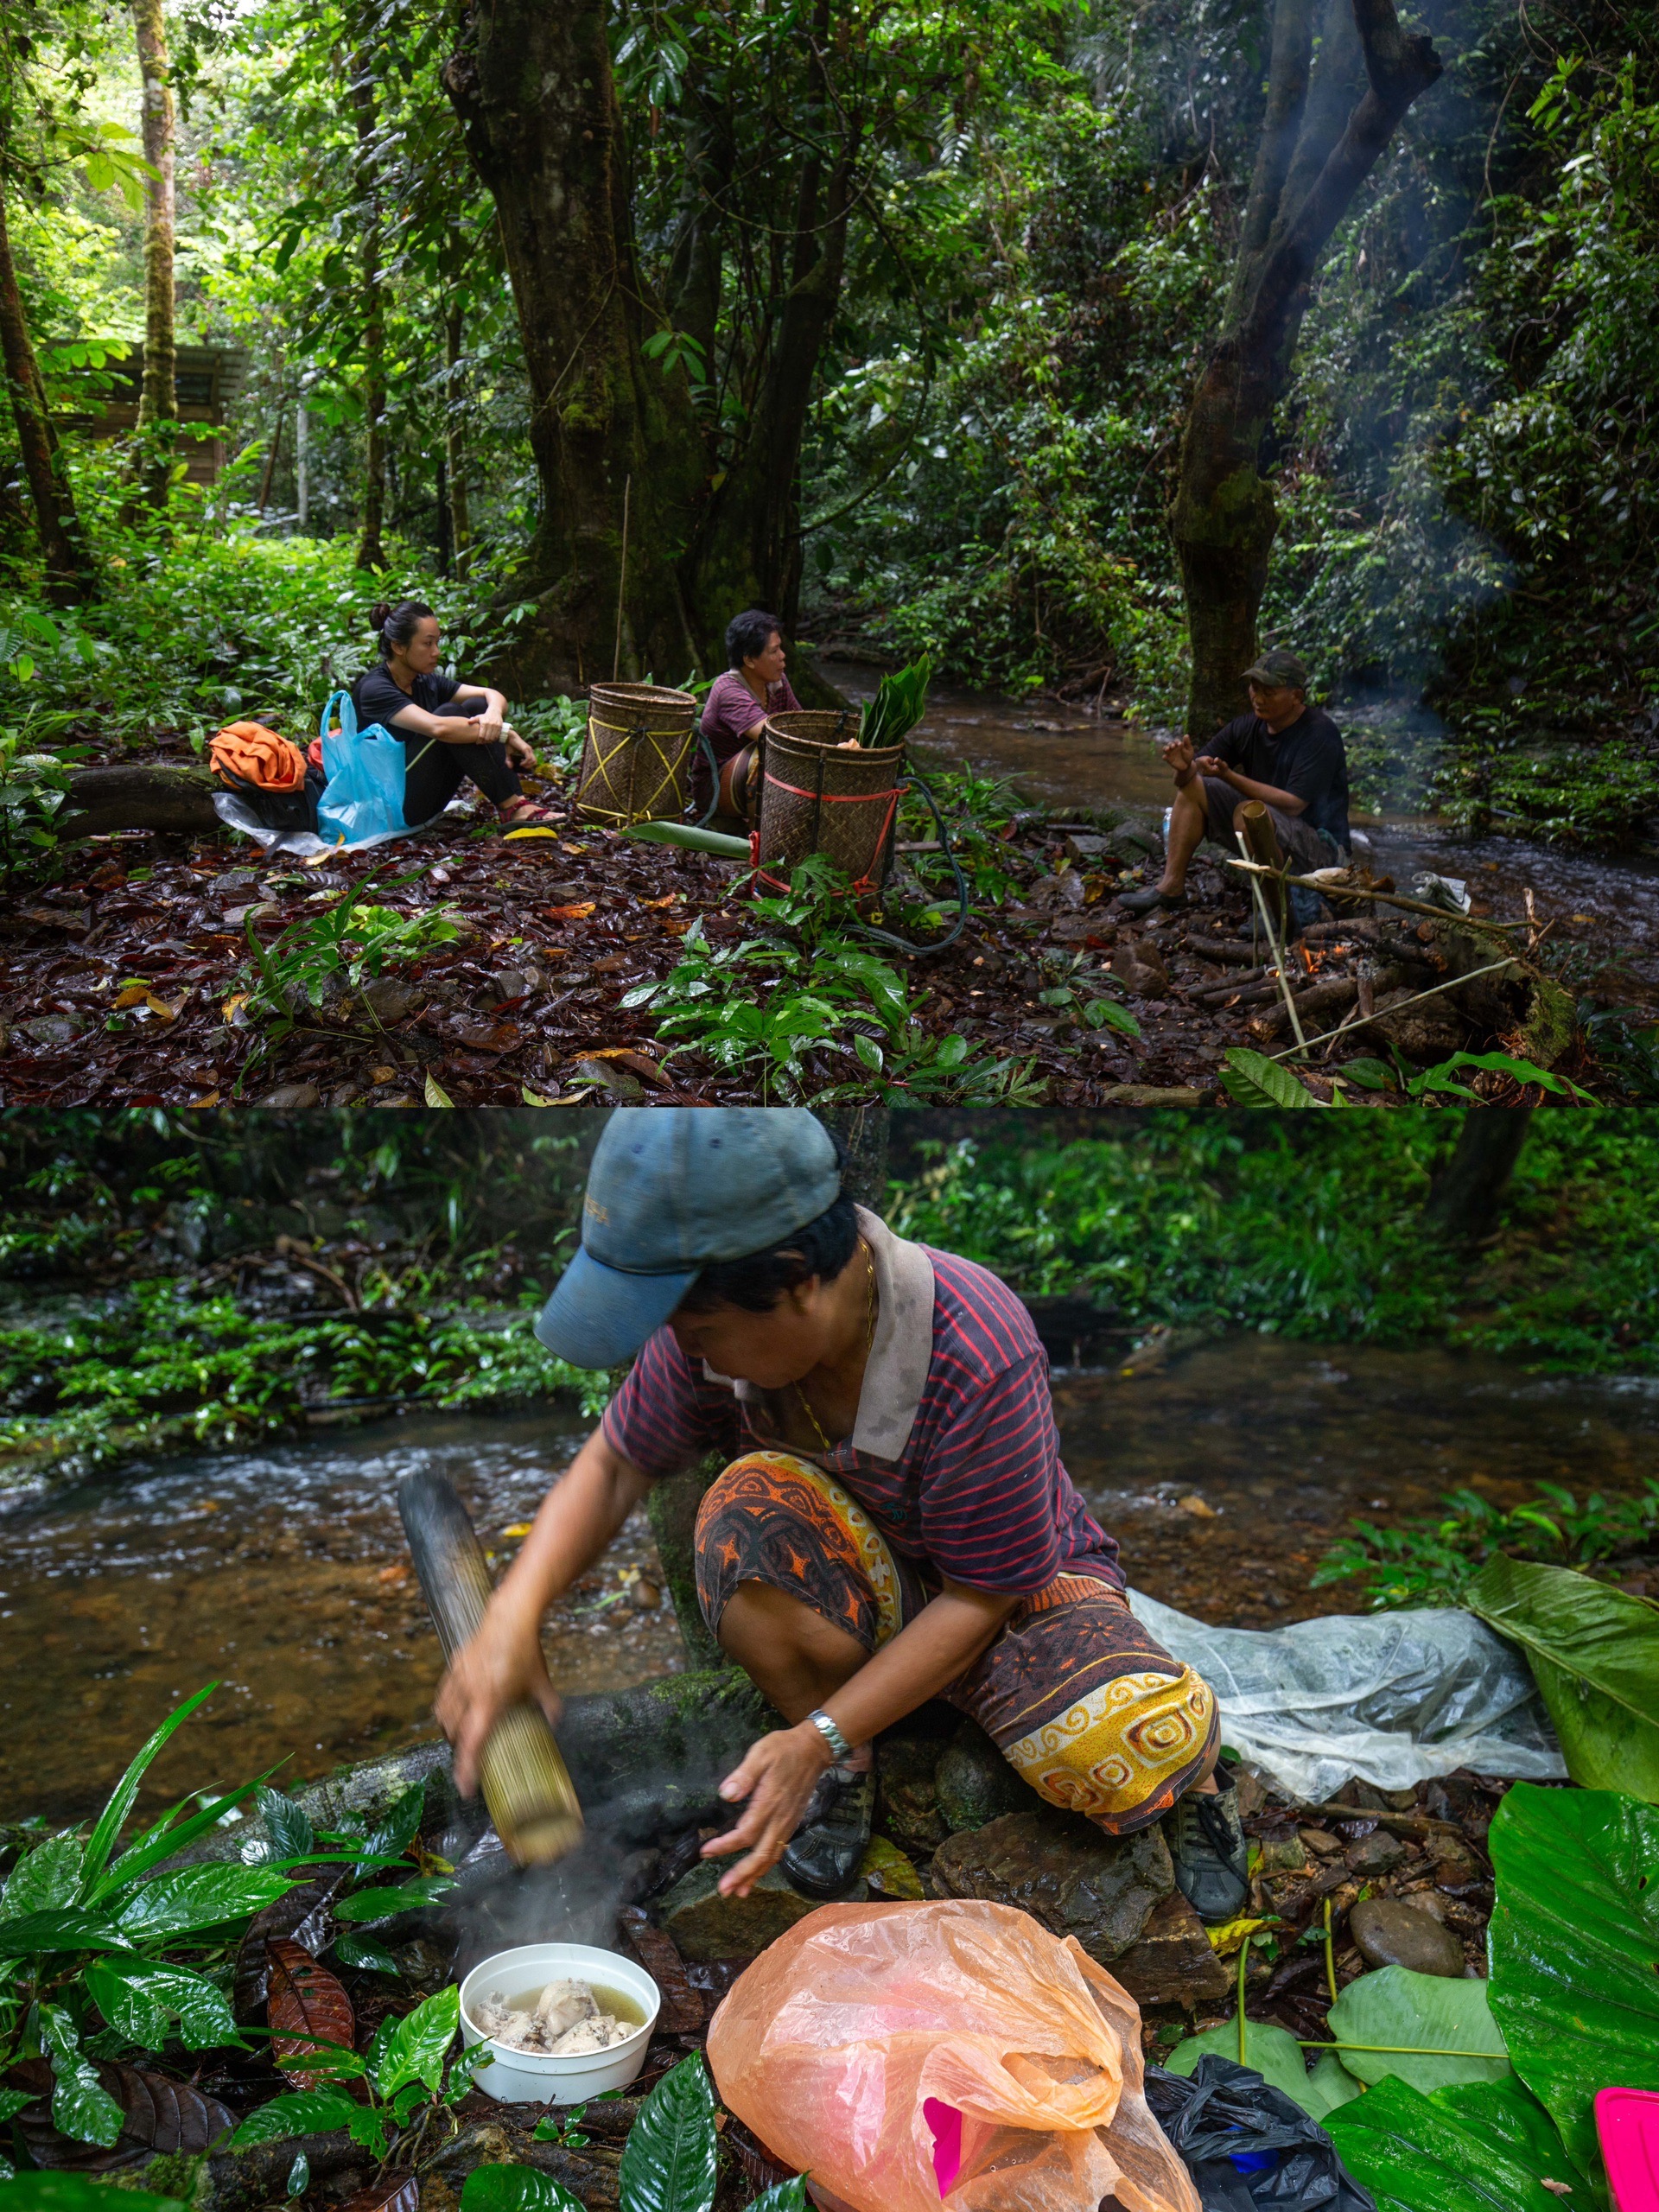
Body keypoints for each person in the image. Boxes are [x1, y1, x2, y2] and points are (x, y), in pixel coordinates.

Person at [432, 1109, 1249, 1923]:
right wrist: (511, 1617)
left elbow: (982, 1595)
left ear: (795, 1281)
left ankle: (1202, 1790)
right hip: (875, 1579)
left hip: (1010, 1594)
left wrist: (807, 1735)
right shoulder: (712, 1341)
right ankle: (848, 1761)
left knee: (1111, 1749)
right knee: (743, 1519)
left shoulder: (977, 1347)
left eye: (697, 1326)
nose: (683, 1349)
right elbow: (616, 1465)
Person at [1121, 647, 1351, 916]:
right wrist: (1185, 768)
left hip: (1323, 854)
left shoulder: (1319, 733)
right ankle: (1171, 887)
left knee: (1249, 814)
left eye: (1269, 692)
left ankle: (1276, 911)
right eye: (1254, 689)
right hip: (1276, 835)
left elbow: (1293, 805)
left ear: (1296, 696)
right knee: (1194, 787)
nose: (1258, 698)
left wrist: (1229, 776)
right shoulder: (1247, 726)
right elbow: (1190, 777)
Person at [352, 600, 555, 831]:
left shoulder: (426, 681)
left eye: (437, 642)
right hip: (390, 807)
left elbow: (490, 694)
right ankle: (513, 808)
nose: (436, 652)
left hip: (428, 799)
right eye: (427, 644)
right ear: (398, 647)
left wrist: (495, 716)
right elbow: (440, 728)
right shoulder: (375, 688)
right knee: (450, 715)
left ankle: (516, 804)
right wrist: (504, 734)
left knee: (478, 705)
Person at [698, 609, 803, 817]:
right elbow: (771, 736)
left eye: (780, 648)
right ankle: (760, 835)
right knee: (764, 751)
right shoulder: (728, 690)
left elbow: (801, 726)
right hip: (716, 788)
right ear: (750, 660)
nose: (782, 656)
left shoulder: (777, 682)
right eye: (774, 651)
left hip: (750, 784)